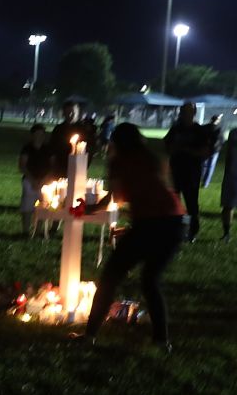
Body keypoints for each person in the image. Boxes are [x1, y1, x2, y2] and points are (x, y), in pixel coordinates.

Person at [72, 124, 186, 350]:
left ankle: (89, 335)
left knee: (110, 279)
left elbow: (115, 198)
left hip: (149, 225)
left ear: (116, 142)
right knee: (150, 281)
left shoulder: (118, 162)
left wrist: (88, 209)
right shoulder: (153, 158)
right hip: (174, 224)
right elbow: (160, 191)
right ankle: (162, 341)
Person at [163, 101, 209, 242]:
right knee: (173, 202)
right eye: (183, 111)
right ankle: (173, 230)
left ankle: (192, 232)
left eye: (188, 111)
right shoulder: (176, 129)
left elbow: (205, 151)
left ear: (194, 113)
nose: (185, 114)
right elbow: (166, 145)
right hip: (176, 171)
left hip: (191, 173)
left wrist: (188, 151)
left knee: (191, 204)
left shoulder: (199, 131)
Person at [19, 124, 50, 237]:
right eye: (36, 134)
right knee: (27, 205)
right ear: (32, 135)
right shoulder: (27, 148)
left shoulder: (47, 149)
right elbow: (22, 165)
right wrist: (32, 180)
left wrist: (42, 181)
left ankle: (38, 230)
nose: (39, 137)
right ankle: (26, 230)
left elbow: (52, 167)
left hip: (45, 182)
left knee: (43, 205)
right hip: (29, 180)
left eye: (41, 134)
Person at [222, 128, 237, 242]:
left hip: (231, 174)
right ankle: (226, 233)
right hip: (232, 174)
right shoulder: (233, 133)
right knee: (228, 205)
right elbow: (228, 154)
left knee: (228, 205)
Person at [202, 114, 224, 189]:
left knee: (205, 166)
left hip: (208, 149)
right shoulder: (219, 129)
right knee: (210, 166)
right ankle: (205, 183)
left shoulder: (205, 127)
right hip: (214, 150)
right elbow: (221, 140)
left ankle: (204, 181)